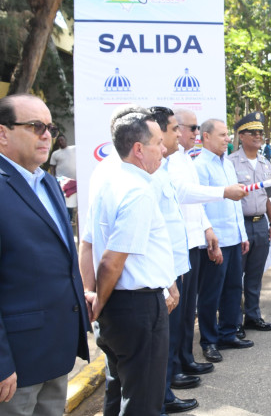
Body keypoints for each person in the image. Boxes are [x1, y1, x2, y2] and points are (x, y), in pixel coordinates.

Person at [80, 111, 176, 416]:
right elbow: (111, 262)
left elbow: (88, 244)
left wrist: (95, 298)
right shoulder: (137, 192)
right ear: (138, 148)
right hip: (136, 308)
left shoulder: (109, 181)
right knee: (143, 402)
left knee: (118, 391)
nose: (163, 150)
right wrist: (99, 303)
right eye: (158, 143)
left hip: (118, 307)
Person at [0, 95, 90, 415]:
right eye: (36, 126)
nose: (46, 135)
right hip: (17, 362)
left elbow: (59, 257)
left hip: (56, 347)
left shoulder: (49, 183)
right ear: (3, 133)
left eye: (50, 127)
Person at [168, 109, 246, 379]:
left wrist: (213, 230)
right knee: (200, 300)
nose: (227, 139)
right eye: (223, 135)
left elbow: (201, 203)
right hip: (193, 242)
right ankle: (196, 350)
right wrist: (211, 229)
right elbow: (186, 194)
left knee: (199, 304)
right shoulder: (189, 162)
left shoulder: (199, 161)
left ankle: (189, 356)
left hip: (213, 236)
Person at [148, 106, 200, 414]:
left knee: (174, 327)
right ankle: (164, 393)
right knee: (161, 338)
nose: (181, 134)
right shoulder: (148, 174)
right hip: (160, 270)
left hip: (176, 261)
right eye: (175, 128)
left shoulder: (170, 164)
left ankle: (167, 388)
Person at [194, 119, 254, 363]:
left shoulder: (227, 164)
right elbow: (198, 206)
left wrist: (242, 234)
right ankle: (209, 340)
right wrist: (210, 239)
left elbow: (234, 202)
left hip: (233, 237)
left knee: (232, 288)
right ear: (205, 137)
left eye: (228, 134)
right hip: (214, 240)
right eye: (222, 135)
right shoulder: (199, 166)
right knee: (211, 293)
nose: (228, 139)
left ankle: (229, 332)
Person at [227, 112, 271, 337]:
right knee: (235, 275)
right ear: (241, 135)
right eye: (253, 132)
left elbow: (269, 196)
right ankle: (234, 320)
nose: (258, 136)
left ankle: (253, 315)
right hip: (240, 226)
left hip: (261, 224)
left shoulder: (265, 163)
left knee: (255, 274)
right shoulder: (230, 163)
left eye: (261, 132)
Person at [48, 134, 77, 222]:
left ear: (66, 140)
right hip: (63, 181)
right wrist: (53, 179)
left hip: (75, 180)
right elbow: (52, 167)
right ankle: (69, 219)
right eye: (59, 141)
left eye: (62, 140)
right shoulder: (55, 154)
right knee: (68, 200)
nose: (61, 142)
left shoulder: (74, 149)